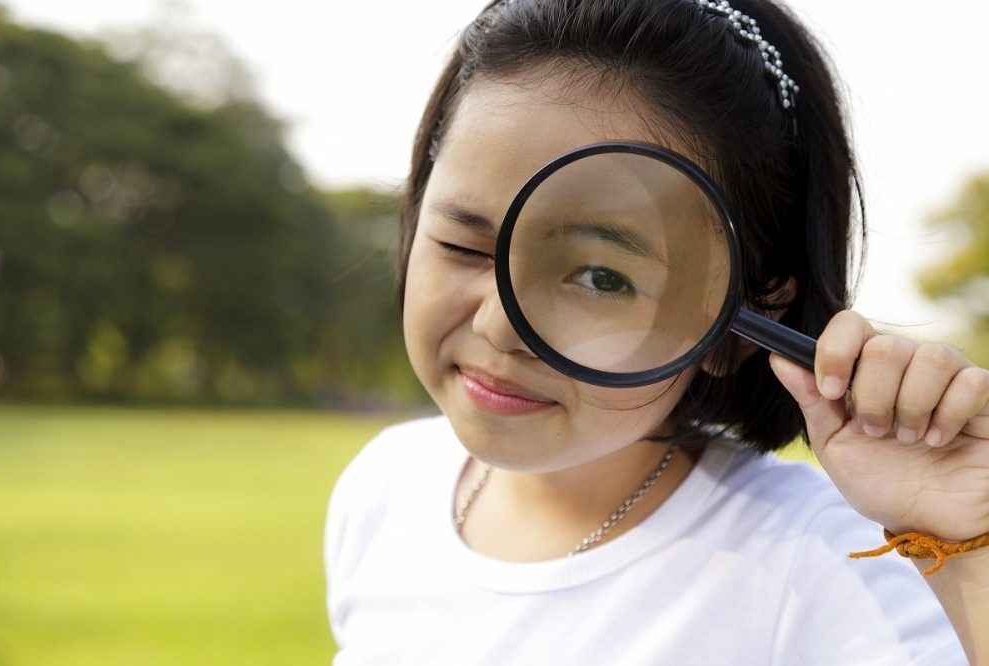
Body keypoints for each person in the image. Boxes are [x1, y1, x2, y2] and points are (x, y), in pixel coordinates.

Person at [325, 0, 989, 662]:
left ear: (741, 324)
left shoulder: (820, 563)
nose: (501, 327)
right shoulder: (384, 489)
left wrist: (969, 550)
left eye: (601, 278)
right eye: (465, 246)